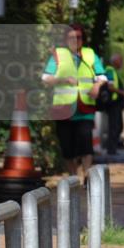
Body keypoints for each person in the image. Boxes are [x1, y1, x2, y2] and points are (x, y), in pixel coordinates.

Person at [42, 23, 108, 180]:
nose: (75, 40)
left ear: (83, 39)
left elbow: (102, 75)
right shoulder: (58, 55)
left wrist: (97, 86)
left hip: (85, 108)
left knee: (86, 143)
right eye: (72, 37)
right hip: (63, 109)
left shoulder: (90, 54)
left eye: (79, 37)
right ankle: (73, 177)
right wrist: (63, 79)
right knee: (67, 147)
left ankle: (86, 176)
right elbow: (45, 78)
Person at [103, 53, 124, 157]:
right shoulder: (109, 70)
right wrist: (122, 93)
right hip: (113, 105)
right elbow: (110, 87)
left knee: (118, 126)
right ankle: (111, 149)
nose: (122, 62)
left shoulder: (114, 71)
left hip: (117, 104)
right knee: (114, 127)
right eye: (120, 60)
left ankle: (113, 147)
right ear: (115, 61)